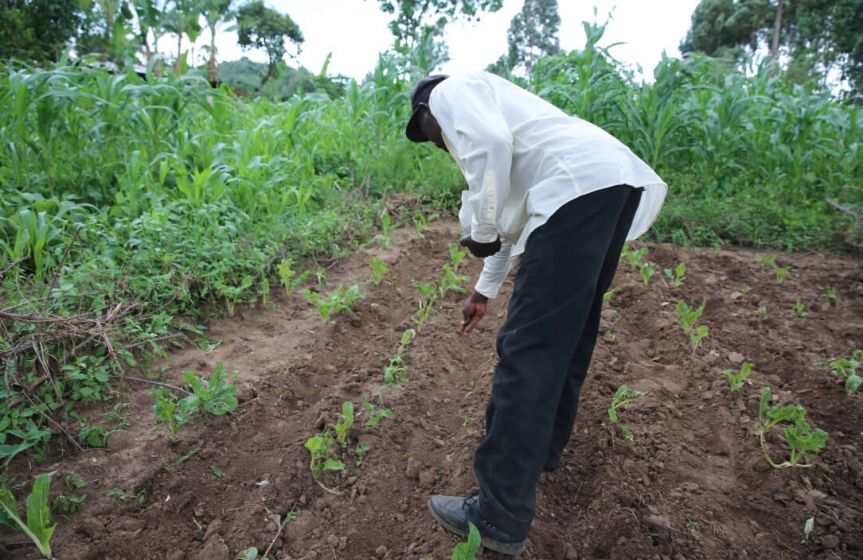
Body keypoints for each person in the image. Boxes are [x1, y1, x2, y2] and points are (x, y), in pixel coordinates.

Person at [404, 72, 667, 555]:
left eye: (432, 135)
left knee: (527, 351)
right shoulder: (509, 131)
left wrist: (481, 231)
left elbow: (489, 163)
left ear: (427, 112)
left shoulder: (449, 92)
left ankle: (498, 513)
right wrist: (483, 291)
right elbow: (507, 225)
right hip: (611, 182)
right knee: (570, 334)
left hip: (576, 187)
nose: (440, 145)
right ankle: (540, 451)